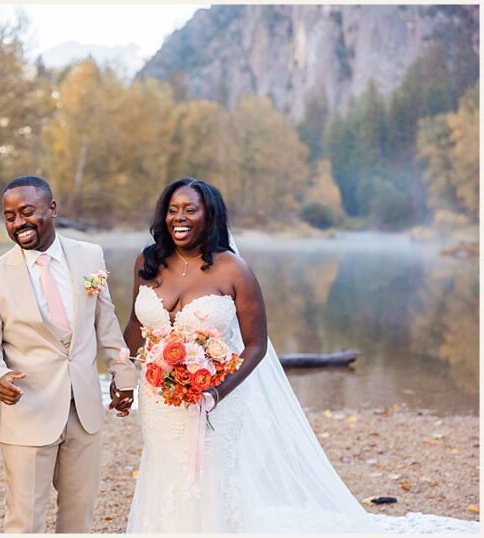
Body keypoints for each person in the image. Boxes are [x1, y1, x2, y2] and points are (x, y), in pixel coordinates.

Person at [123, 178, 479, 533]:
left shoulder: (234, 270)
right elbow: (136, 327)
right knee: (163, 470)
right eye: (172, 210)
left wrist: (216, 393)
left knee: (209, 477)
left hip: (216, 397)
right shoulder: (148, 260)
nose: (179, 218)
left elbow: (255, 345)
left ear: (209, 215)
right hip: (159, 398)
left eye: (189, 209)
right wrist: (122, 378)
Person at [0, 176, 137, 533]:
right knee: (24, 522)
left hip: (85, 411)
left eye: (27, 212)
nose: (18, 223)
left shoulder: (90, 256)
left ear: (52, 208)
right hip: (29, 411)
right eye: (9, 217)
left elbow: (105, 325)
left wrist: (124, 377)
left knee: (78, 518)